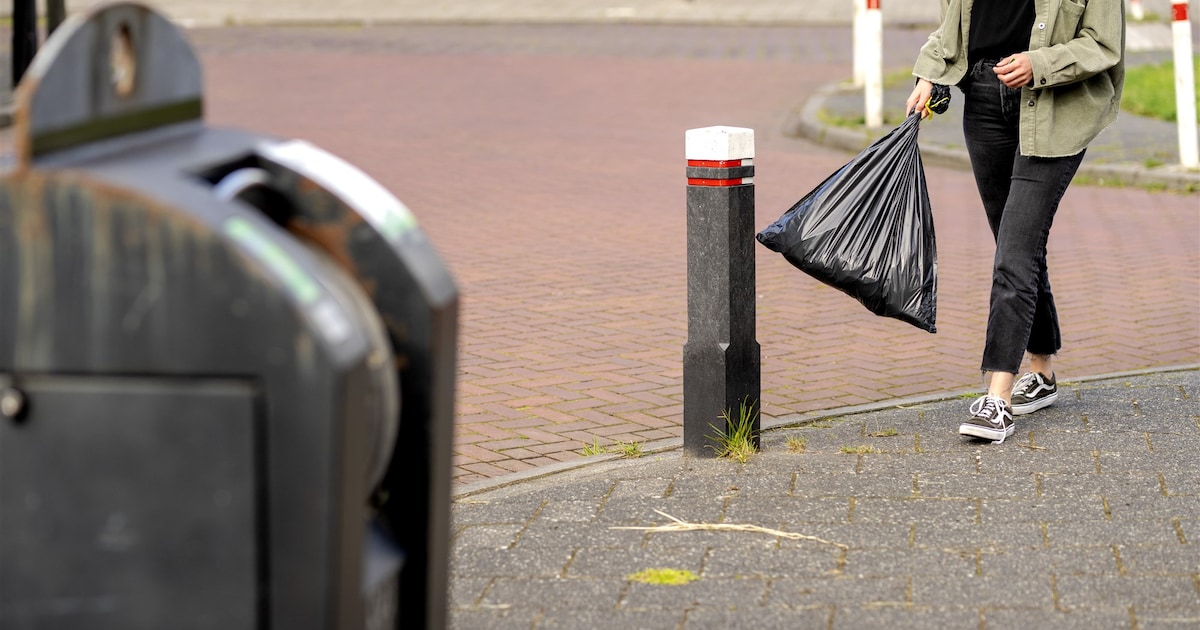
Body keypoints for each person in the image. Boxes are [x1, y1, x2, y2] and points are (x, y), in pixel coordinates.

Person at [904, 0, 1125, 443]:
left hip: (1054, 107)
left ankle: (998, 397)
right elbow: (953, 26)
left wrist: (1038, 63)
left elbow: (1103, 44)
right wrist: (930, 74)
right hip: (983, 103)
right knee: (1016, 246)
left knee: (1014, 253)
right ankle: (1041, 370)